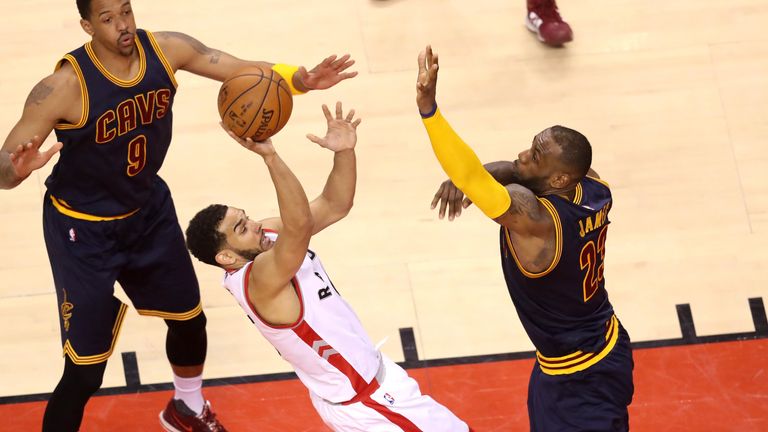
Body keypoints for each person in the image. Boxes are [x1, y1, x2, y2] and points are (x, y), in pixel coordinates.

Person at [0, 0, 358, 430]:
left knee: (190, 321)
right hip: (84, 231)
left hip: (147, 210)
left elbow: (241, 70)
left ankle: (186, 409)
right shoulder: (62, 87)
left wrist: (300, 79)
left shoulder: (167, 49)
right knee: (85, 371)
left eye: (126, 11)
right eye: (108, 19)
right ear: (87, 25)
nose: (123, 25)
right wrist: (14, 173)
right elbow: (5, 165)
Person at [185, 102, 472, 432]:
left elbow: (334, 205)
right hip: (368, 405)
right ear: (226, 258)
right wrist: (270, 156)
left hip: (371, 382)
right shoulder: (257, 280)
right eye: (241, 227)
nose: (255, 224)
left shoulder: (266, 237)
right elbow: (300, 224)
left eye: (246, 216)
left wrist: (344, 153)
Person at [416, 46, 633, 431]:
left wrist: (429, 109)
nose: (522, 155)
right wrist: (478, 176)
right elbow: (510, 171)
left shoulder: (535, 221)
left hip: (580, 377)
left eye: (535, 155)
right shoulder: (595, 187)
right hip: (595, 346)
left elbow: (477, 177)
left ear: (559, 180)